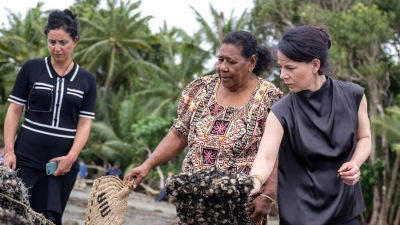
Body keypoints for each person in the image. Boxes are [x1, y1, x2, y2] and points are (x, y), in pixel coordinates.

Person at [124, 30, 283, 224]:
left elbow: (274, 152)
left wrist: (267, 195)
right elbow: (179, 134)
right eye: (220, 60)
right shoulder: (200, 89)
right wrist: (148, 165)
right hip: (194, 202)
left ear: (251, 62)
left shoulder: (269, 97)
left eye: (231, 62)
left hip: (241, 205)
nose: (223, 67)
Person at [250, 25, 372, 225]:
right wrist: (255, 179)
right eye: (281, 67)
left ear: (315, 65)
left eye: (290, 67)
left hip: (345, 214)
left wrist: (355, 163)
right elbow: (265, 156)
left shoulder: (354, 95)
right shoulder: (281, 111)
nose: (282, 75)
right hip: (300, 217)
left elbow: (364, 138)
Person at [3, 9, 96, 225]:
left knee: (49, 219)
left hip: (62, 166)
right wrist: (9, 151)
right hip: (25, 158)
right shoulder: (31, 68)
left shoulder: (87, 80)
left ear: (75, 41)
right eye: (51, 41)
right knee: (17, 215)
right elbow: (14, 110)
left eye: (63, 42)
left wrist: (71, 158)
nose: (56, 48)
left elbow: (84, 123)